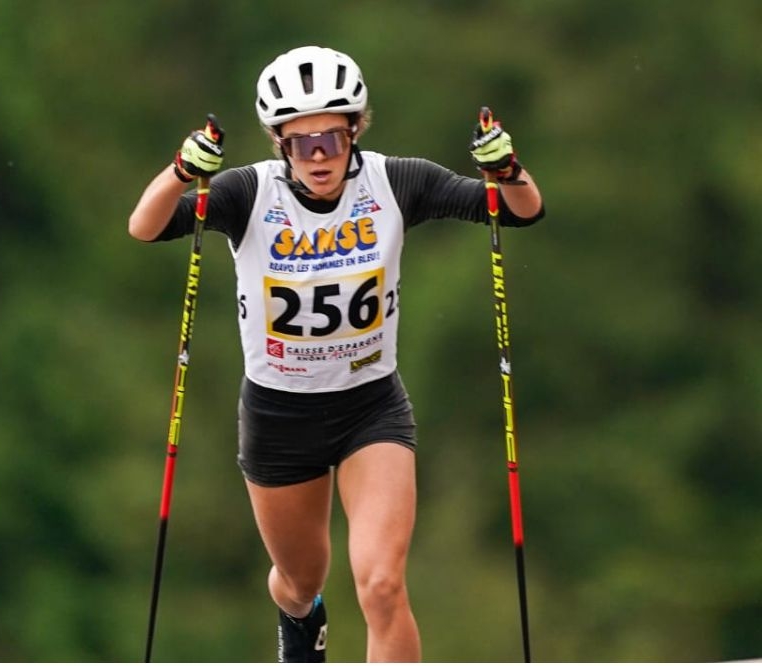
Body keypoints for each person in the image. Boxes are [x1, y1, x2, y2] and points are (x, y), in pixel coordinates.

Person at [128, 45, 544, 663]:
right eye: (301, 144)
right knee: (301, 581)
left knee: (381, 583)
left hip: (369, 409)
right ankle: (303, 625)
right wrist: (181, 171)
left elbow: (520, 213)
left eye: (331, 138)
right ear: (279, 143)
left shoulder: (396, 182)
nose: (319, 157)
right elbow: (147, 225)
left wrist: (508, 171)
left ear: (355, 130)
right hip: (278, 416)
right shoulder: (249, 192)